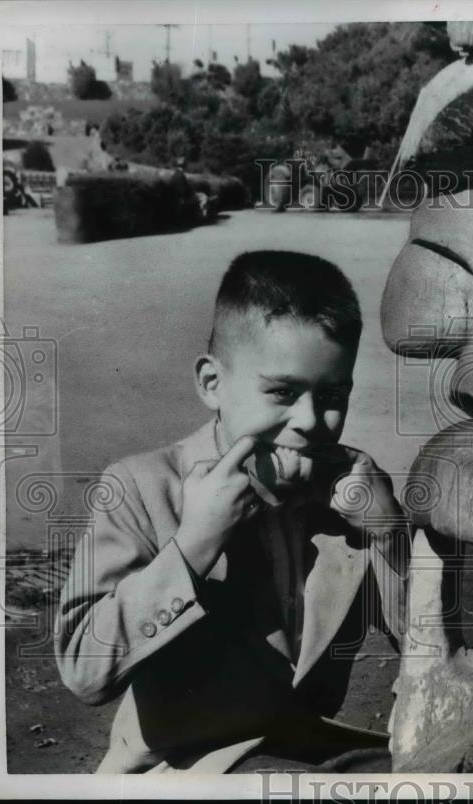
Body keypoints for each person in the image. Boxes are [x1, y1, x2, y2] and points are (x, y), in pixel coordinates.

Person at [54, 251, 410, 773]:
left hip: (305, 747)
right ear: (211, 383)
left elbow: (427, 641)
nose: (311, 421)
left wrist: (390, 537)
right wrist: (194, 545)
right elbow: (85, 673)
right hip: (181, 766)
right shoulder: (140, 486)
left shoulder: (349, 490)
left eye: (334, 394)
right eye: (282, 391)